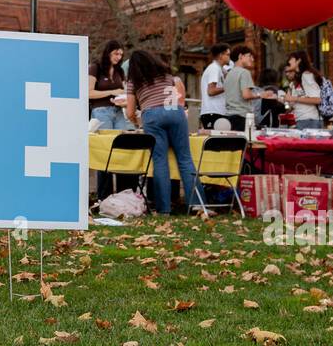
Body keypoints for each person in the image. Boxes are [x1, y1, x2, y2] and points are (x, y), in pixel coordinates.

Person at [124, 50, 201, 217]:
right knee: (185, 159)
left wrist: (138, 122)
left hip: (152, 116)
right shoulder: (166, 75)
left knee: (160, 161)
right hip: (175, 112)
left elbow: (130, 111)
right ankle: (197, 204)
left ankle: (164, 209)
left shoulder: (134, 81)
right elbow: (178, 97)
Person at [89, 40, 131, 199]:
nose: (119, 57)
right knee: (105, 151)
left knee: (121, 149)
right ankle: (104, 196)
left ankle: (122, 195)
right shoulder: (96, 68)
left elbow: (124, 92)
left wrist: (122, 99)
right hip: (101, 111)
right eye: (116, 53)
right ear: (108, 53)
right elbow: (89, 93)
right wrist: (112, 92)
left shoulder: (120, 71)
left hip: (118, 111)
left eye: (121, 54)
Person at [223, 45, 263, 130]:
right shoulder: (244, 72)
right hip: (242, 117)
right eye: (249, 56)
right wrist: (261, 95)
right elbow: (246, 95)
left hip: (228, 117)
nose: (252, 59)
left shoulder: (228, 74)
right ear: (240, 56)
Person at [285, 51, 324, 131]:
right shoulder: (299, 78)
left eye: (291, 59)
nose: (289, 61)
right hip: (303, 120)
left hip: (309, 121)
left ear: (299, 61)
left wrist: (294, 98)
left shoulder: (306, 75)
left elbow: (318, 99)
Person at [199, 44, 231, 129]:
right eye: (227, 55)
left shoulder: (218, 68)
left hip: (216, 112)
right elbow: (211, 91)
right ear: (221, 55)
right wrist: (227, 87)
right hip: (212, 112)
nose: (229, 57)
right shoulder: (214, 68)